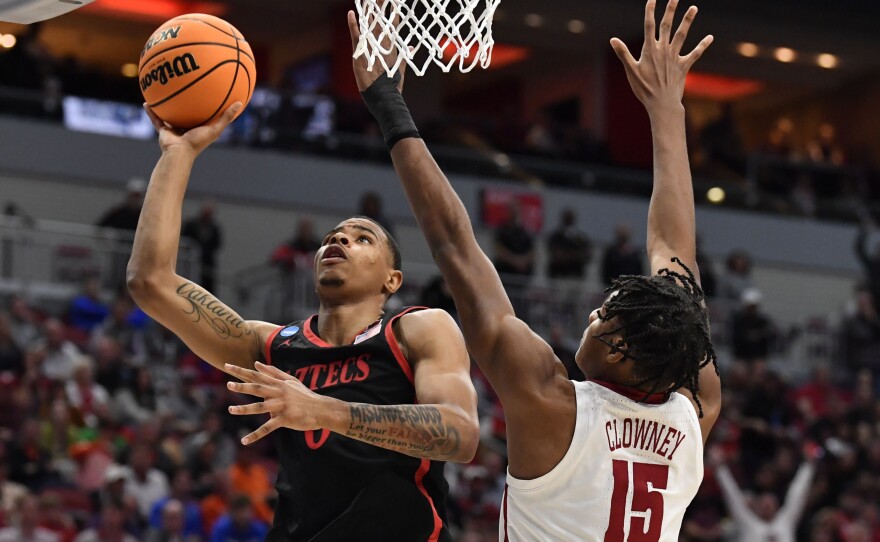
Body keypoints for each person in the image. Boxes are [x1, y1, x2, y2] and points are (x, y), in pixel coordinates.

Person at [349, 0, 720, 539]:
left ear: (617, 350)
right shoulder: (695, 411)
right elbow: (674, 253)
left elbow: (457, 247)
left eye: (603, 316)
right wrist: (668, 112)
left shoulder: (554, 403)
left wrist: (390, 106)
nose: (592, 315)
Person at [127, 96, 479, 540]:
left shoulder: (417, 327)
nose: (340, 241)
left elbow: (460, 434)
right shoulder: (273, 346)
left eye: (361, 238)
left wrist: (324, 411)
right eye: (333, 236)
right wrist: (177, 155)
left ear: (392, 280)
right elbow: (150, 281)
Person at [712, 447, 818, 542]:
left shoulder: (785, 521)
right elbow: (733, 498)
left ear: (777, 507)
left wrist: (808, 466)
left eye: (770, 504)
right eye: (764, 504)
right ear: (757, 508)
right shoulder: (749, 523)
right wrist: (720, 469)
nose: (767, 507)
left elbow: (796, 496)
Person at [182, 202, 223, 293]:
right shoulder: (191, 225)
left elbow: (217, 245)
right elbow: (183, 241)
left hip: (206, 265)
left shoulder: (214, 228)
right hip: (190, 263)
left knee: (206, 289)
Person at [546, 209, 592, 280]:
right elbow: (557, 257)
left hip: (576, 276)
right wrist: (577, 255)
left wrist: (569, 255)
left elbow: (587, 254)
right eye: (567, 218)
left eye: (570, 218)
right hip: (558, 275)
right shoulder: (556, 236)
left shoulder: (578, 237)